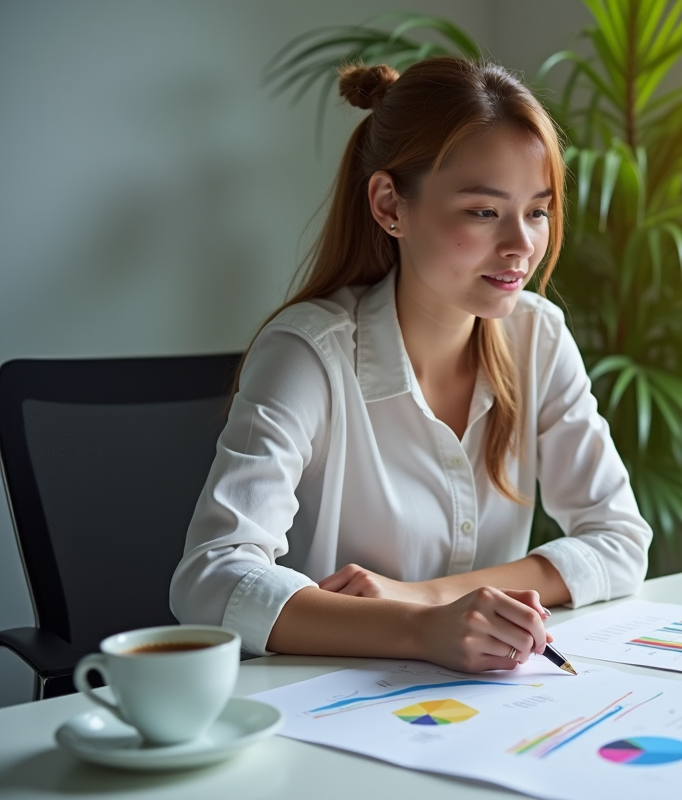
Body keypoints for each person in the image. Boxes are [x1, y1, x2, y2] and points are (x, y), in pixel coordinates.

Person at [170, 57, 652, 673]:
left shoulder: (537, 336)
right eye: (483, 211)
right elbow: (211, 579)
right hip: (320, 707)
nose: (522, 245)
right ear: (389, 204)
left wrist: (429, 598)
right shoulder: (309, 353)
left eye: (537, 210)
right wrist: (421, 628)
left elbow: (619, 540)